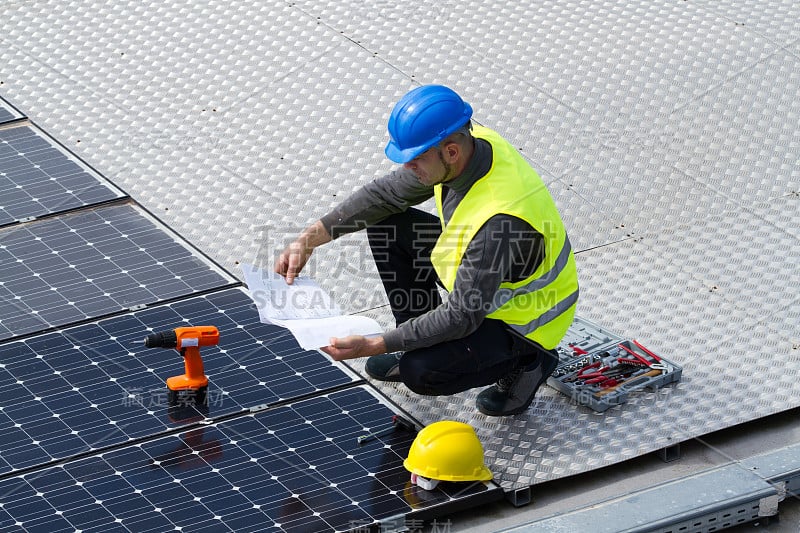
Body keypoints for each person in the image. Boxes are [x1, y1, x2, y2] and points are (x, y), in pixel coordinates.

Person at [274, 84, 579, 416]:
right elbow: (383, 196)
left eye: (415, 159)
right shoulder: (469, 146)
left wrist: (376, 343)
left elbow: (462, 316)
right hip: (482, 282)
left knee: (421, 373)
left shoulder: (500, 221)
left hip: (523, 320)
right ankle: (414, 341)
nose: (408, 169)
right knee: (386, 222)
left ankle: (530, 362)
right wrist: (307, 240)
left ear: (450, 151)